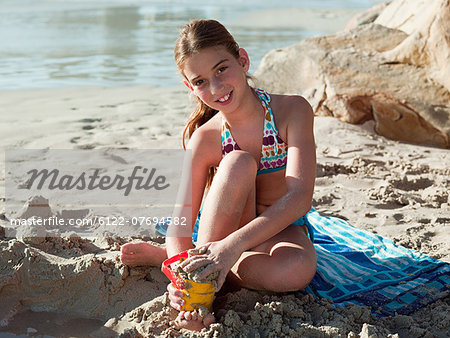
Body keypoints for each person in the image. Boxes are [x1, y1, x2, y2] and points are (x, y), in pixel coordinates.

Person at [120, 19, 317, 331]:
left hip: (280, 227)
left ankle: (207, 268)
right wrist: (182, 266)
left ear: (242, 60)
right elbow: (181, 222)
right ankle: (199, 294)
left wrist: (229, 250)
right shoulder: (206, 138)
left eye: (222, 69)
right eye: (200, 81)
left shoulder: (292, 112)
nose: (214, 88)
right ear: (190, 87)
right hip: (227, 229)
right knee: (238, 162)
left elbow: (299, 197)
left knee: (297, 271)